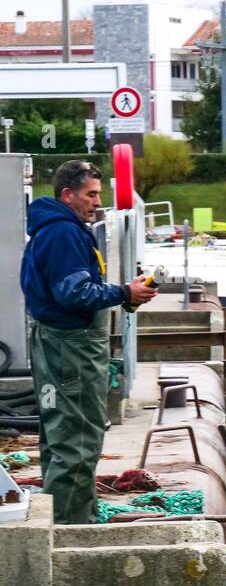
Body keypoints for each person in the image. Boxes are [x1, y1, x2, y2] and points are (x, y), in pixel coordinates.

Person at [19, 160, 157, 524]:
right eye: (90, 194)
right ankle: (73, 525)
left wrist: (121, 295)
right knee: (77, 434)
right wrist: (123, 291)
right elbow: (74, 293)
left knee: (61, 431)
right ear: (68, 194)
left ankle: (63, 515)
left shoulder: (51, 230)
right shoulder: (64, 233)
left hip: (56, 341)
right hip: (71, 347)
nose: (97, 201)